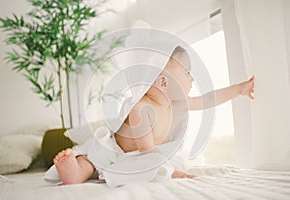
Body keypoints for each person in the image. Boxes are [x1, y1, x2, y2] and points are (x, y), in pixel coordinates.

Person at [53, 46, 255, 184]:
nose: (192, 78)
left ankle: (76, 167)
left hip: (138, 155)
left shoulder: (175, 103)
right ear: (164, 83)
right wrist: (172, 172)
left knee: (165, 162)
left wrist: (239, 90)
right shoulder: (141, 108)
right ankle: (72, 169)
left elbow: (207, 99)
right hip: (111, 152)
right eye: (187, 73)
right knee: (89, 166)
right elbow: (147, 151)